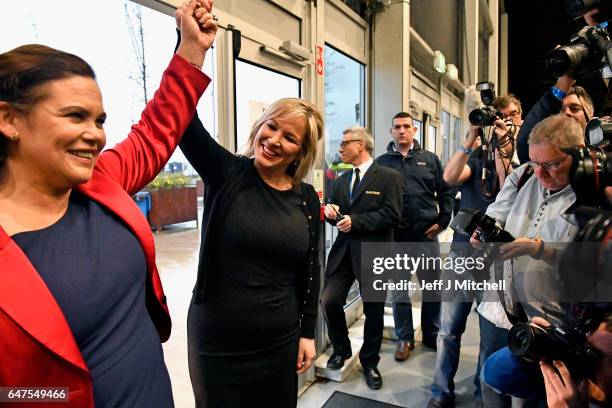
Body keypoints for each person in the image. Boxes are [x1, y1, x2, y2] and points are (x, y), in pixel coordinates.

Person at [0, 1, 216, 406]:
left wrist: (192, 49)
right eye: (75, 116)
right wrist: (61, 397)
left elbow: (154, 131)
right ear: (8, 119)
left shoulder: (100, 182)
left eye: (99, 121)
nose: (95, 135)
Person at [180, 97, 323, 408]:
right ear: (259, 125)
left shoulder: (307, 199)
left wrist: (308, 332)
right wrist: (190, 49)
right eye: (271, 126)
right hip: (217, 343)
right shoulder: (226, 173)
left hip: (278, 342)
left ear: (301, 151)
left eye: (289, 137)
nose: (273, 140)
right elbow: (182, 117)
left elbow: (312, 269)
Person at [476, 114, 585, 407]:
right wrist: (483, 233)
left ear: (580, 153)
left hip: (546, 322)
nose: (540, 174)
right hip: (498, 306)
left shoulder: (590, 197)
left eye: (551, 165)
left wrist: (540, 249)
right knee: (490, 382)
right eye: (535, 162)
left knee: (535, 394)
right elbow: (496, 212)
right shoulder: (523, 175)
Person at [426, 94, 521, 408]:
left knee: (490, 335)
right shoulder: (476, 158)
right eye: (500, 116)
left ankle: (485, 394)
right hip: (463, 255)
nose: (504, 122)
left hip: (499, 262)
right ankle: (441, 391)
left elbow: (508, 185)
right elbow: (449, 176)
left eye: (512, 116)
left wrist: (504, 147)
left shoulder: (526, 165)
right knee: (448, 329)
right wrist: (471, 137)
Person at [321, 126, 403, 390]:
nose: (341, 148)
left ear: (361, 145)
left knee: (374, 311)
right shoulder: (342, 180)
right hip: (344, 253)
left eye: (345, 143)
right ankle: (341, 349)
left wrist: (355, 221)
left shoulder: (389, 177)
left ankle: (370, 362)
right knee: (329, 300)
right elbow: (338, 215)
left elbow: (393, 215)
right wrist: (333, 214)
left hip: (374, 252)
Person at [375, 112, 453, 357]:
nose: (402, 131)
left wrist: (443, 220)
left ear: (414, 130)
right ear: (391, 132)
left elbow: (446, 192)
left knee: (432, 289)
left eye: (406, 126)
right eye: (397, 127)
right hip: (396, 239)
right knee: (399, 291)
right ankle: (404, 339)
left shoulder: (429, 160)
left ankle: (431, 335)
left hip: (426, 237)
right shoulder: (382, 163)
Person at [516, 75, 594, 164]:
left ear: (590, 115)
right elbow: (525, 144)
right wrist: (559, 91)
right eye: (560, 110)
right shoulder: (544, 157)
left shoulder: (603, 149)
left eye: (575, 108)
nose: (567, 113)